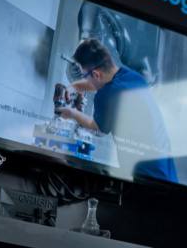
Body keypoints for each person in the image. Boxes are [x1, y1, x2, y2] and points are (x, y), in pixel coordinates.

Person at [56, 38, 177, 183]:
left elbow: (98, 129)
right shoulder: (132, 76)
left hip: (147, 177)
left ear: (96, 74)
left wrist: (72, 114)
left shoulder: (107, 94)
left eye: (85, 75)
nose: (85, 79)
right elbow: (99, 83)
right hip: (167, 171)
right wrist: (75, 86)